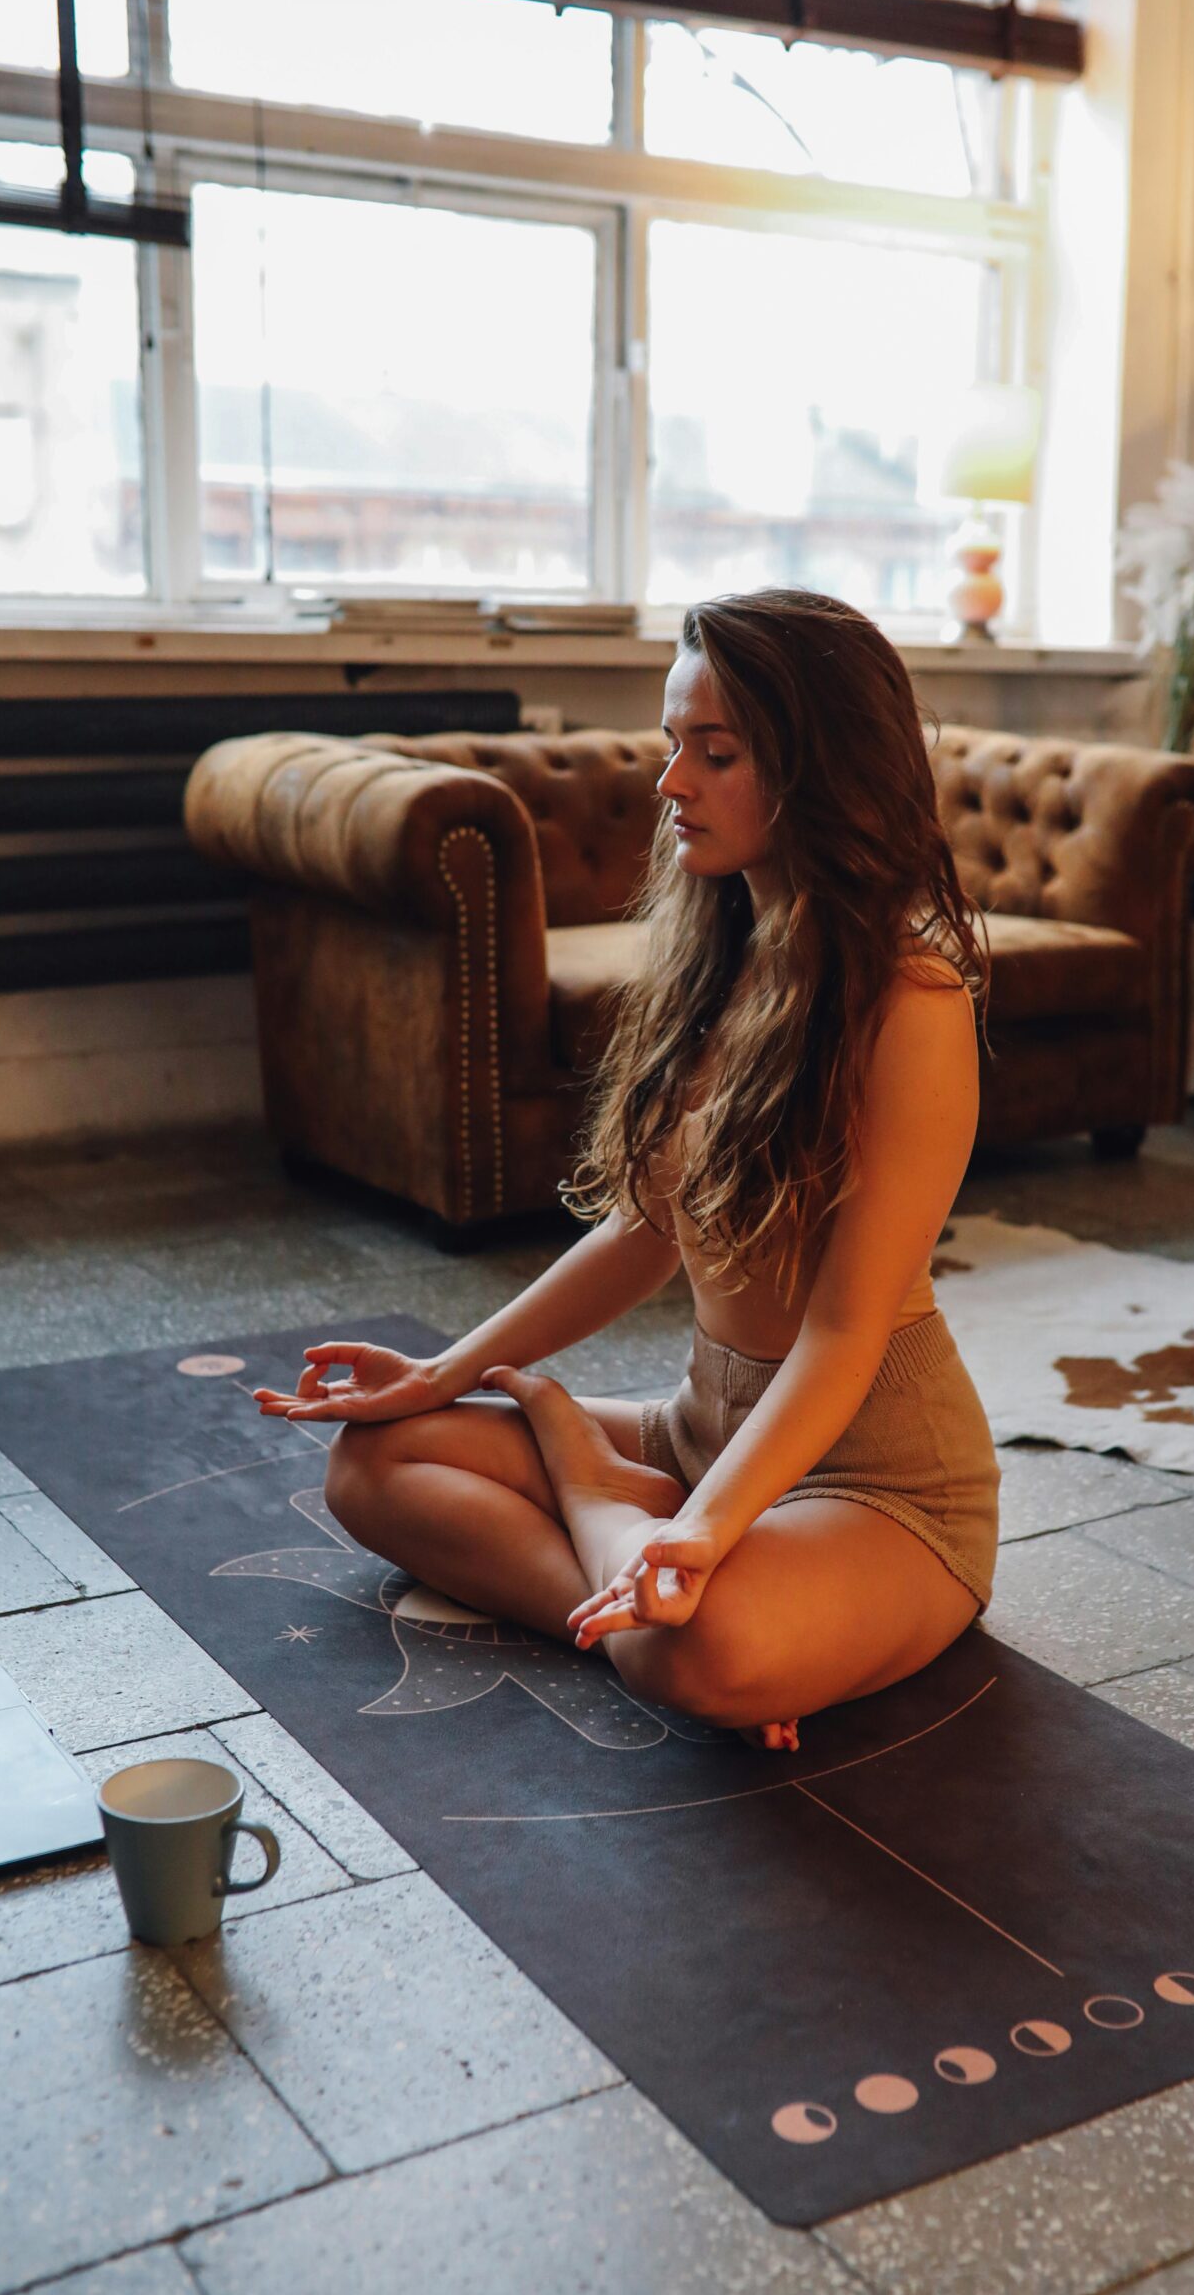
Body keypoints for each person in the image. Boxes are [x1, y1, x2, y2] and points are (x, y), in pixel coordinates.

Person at [252, 587, 1000, 1751]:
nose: (671, 784)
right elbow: (643, 1233)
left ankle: (627, 1534)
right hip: (698, 1427)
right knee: (374, 1459)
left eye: (717, 752)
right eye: (671, 746)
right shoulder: (725, 961)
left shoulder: (914, 1001)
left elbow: (846, 1336)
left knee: (704, 1644)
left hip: (881, 1486)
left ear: (824, 769)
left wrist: (698, 1532)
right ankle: (643, 1579)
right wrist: (442, 1374)